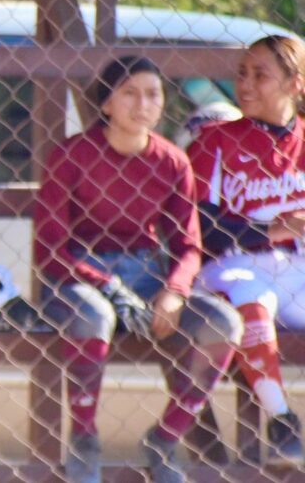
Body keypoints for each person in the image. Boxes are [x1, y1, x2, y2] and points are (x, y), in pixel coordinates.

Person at [35, 56, 242, 483]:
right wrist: (107, 285)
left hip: (147, 275)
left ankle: (164, 439)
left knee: (223, 324)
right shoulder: (72, 155)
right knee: (96, 316)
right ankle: (84, 439)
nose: (142, 104)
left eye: (152, 94)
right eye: (129, 93)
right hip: (78, 274)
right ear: (106, 103)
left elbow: (187, 245)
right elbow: (49, 249)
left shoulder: (172, 161)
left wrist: (175, 292)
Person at [187, 35, 305, 465]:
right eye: (242, 74)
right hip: (233, 265)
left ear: (295, 84)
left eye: (260, 75)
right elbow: (202, 228)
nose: (246, 85)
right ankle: (282, 420)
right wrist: (271, 229)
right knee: (251, 295)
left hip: (297, 267)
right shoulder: (214, 140)